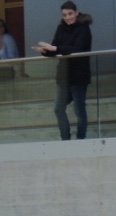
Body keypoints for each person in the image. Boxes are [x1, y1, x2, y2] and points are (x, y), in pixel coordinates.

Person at [32, 2, 93, 141]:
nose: (67, 17)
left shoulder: (84, 28)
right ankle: (65, 140)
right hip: (63, 76)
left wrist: (54, 49)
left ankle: (80, 140)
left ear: (76, 12)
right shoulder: (61, 28)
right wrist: (44, 51)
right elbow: (54, 49)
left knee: (79, 110)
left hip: (79, 76)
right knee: (58, 109)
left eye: (70, 14)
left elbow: (77, 50)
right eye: (64, 15)